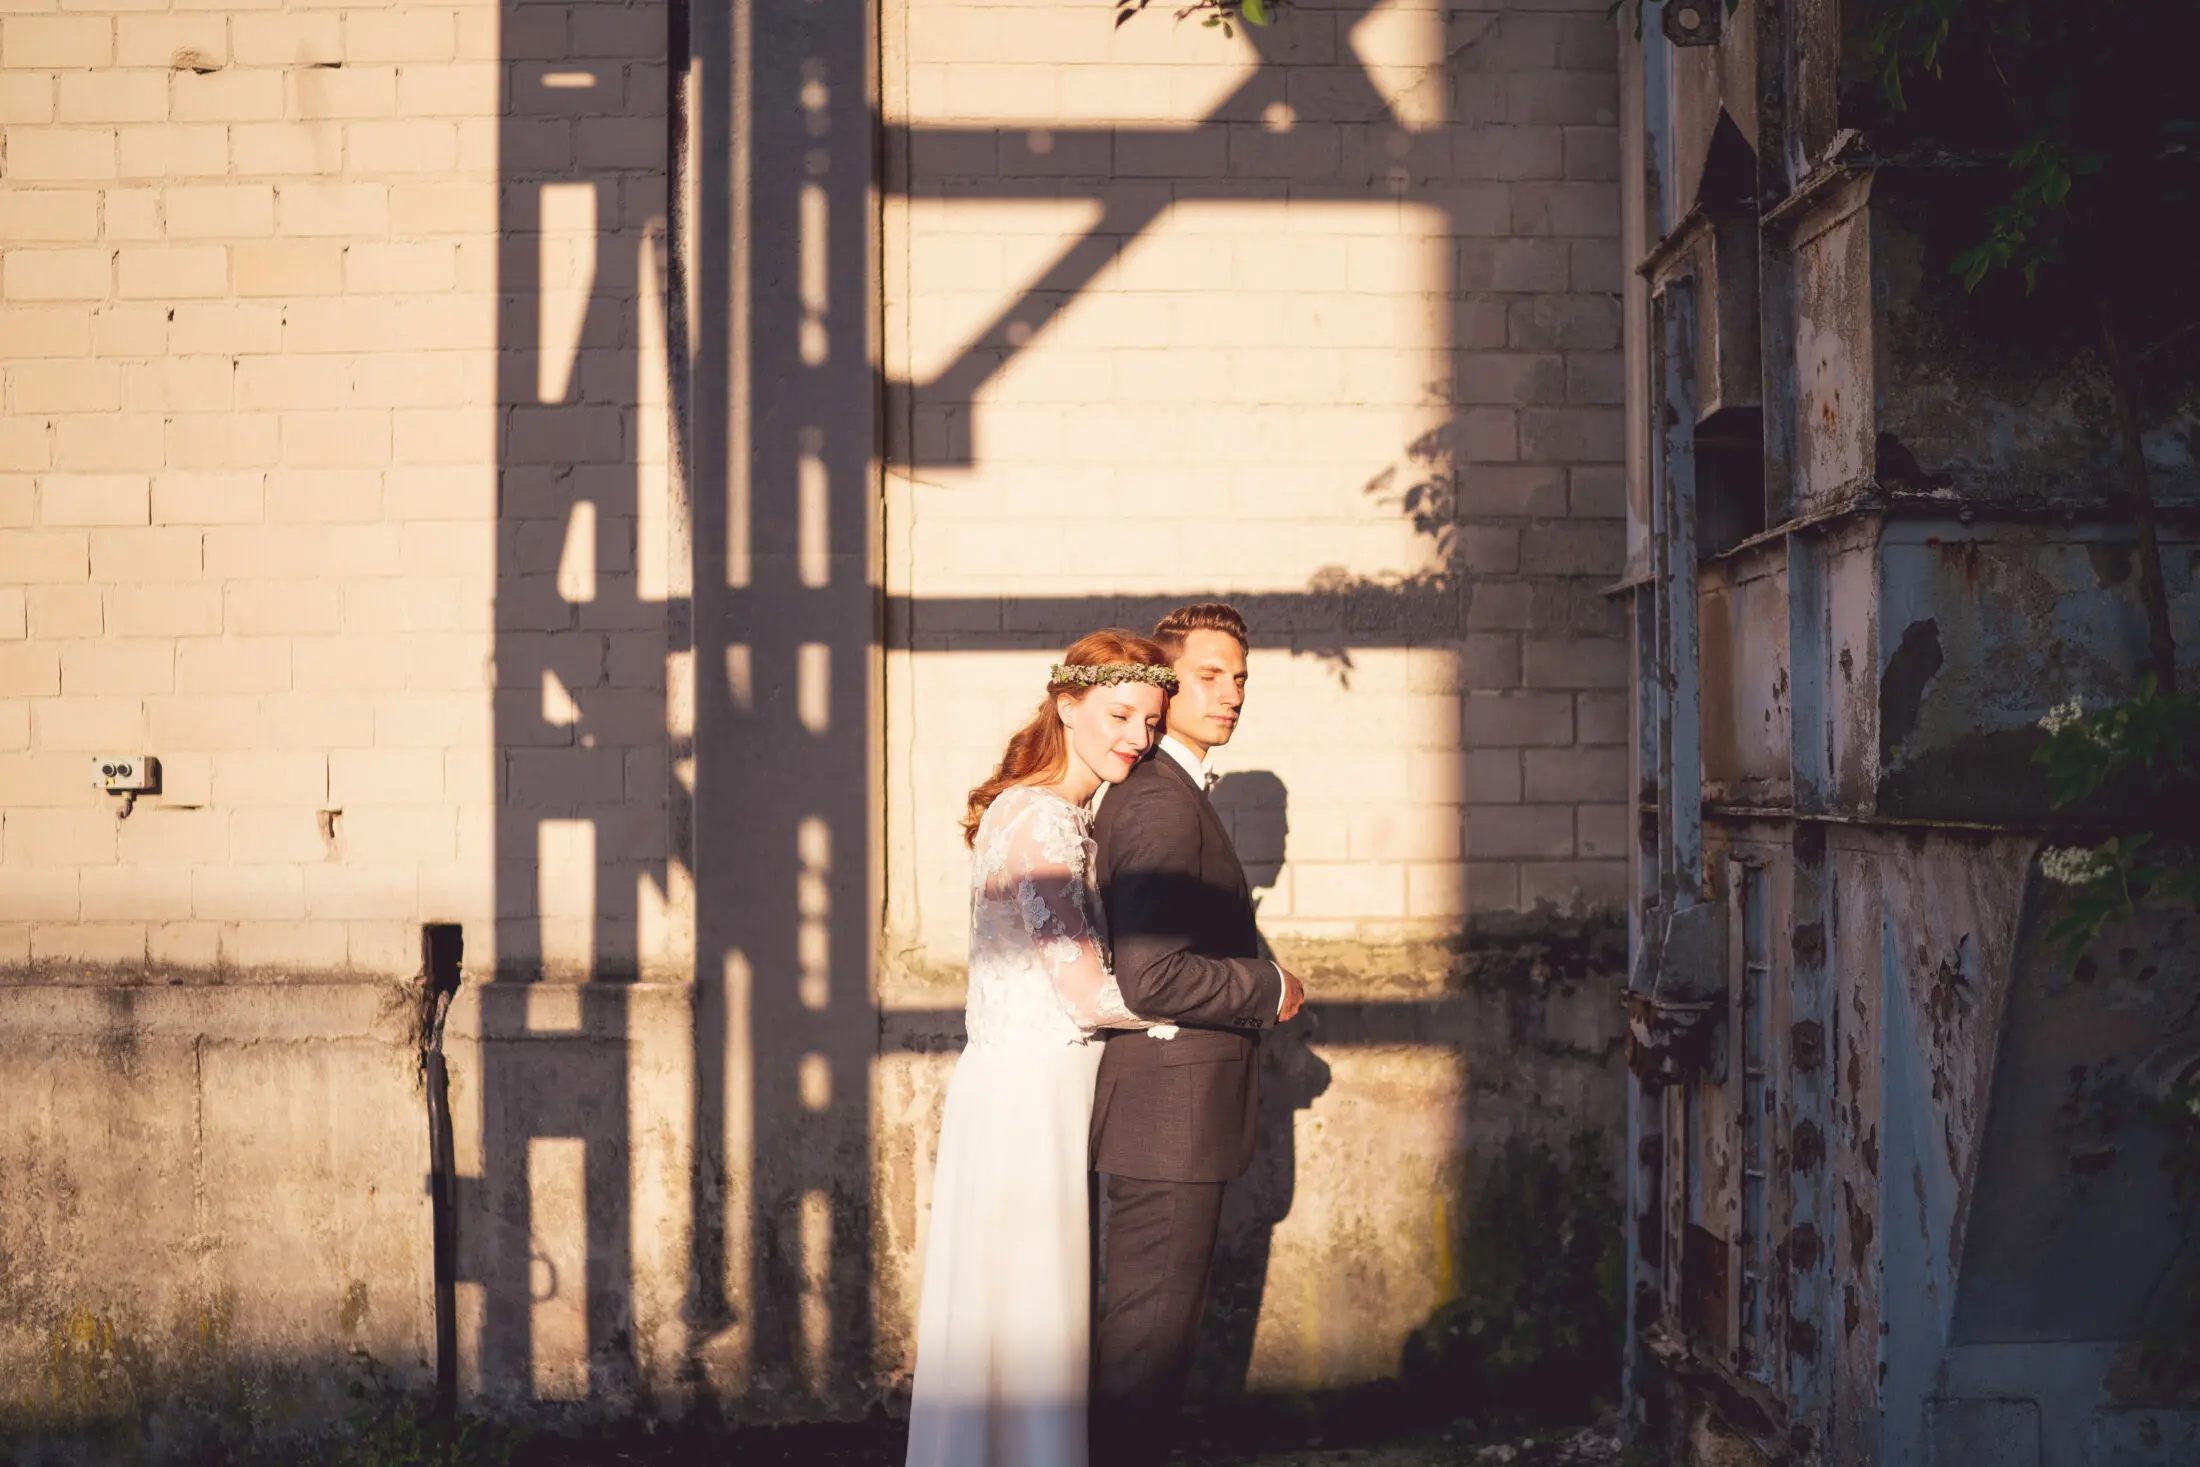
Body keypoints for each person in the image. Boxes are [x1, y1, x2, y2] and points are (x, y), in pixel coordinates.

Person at [904, 630, 1180, 1467]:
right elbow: (1088, 990)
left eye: (1152, 722)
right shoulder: (1041, 819)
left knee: (1019, 1305)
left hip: (1034, 1089)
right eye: (1121, 713)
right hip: (1029, 1096)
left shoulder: (1039, 812)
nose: (1139, 735)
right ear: (1068, 706)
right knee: (1027, 1306)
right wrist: (1203, 1003)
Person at [1089, 602, 1307, 1467]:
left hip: (1178, 1120)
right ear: (1166, 683)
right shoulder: (1157, 802)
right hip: (1166, 1122)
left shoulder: (1177, 794)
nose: (1232, 694)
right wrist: (1270, 985)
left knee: (1152, 1353)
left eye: (1242, 678)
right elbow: (1151, 978)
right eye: (1210, 676)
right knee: (1144, 1356)